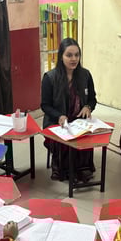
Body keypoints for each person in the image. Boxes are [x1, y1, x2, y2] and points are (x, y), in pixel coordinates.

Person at [41, 38, 97, 182]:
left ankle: (82, 169)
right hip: (56, 121)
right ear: (61, 56)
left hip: (78, 121)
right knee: (64, 138)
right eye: (69, 55)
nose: (74, 59)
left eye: (77, 55)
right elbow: (45, 105)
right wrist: (59, 116)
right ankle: (61, 167)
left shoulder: (85, 75)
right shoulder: (50, 78)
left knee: (85, 135)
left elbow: (92, 99)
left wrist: (88, 106)